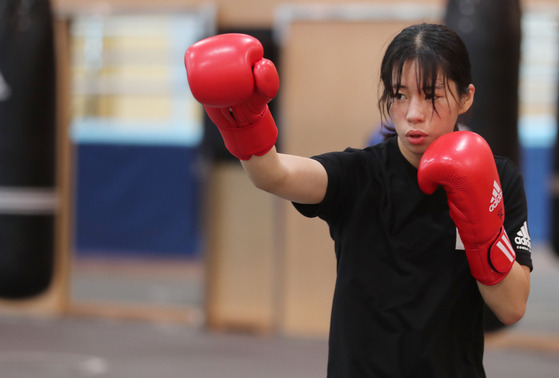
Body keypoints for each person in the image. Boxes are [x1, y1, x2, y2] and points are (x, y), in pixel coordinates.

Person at [184, 23, 532, 377]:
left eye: (431, 96)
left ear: (466, 97)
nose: (414, 112)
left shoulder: (498, 178)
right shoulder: (360, 174)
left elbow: (511, 308)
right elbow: (273, 174)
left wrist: (483, 232)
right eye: (399, 95)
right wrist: (243, 124)